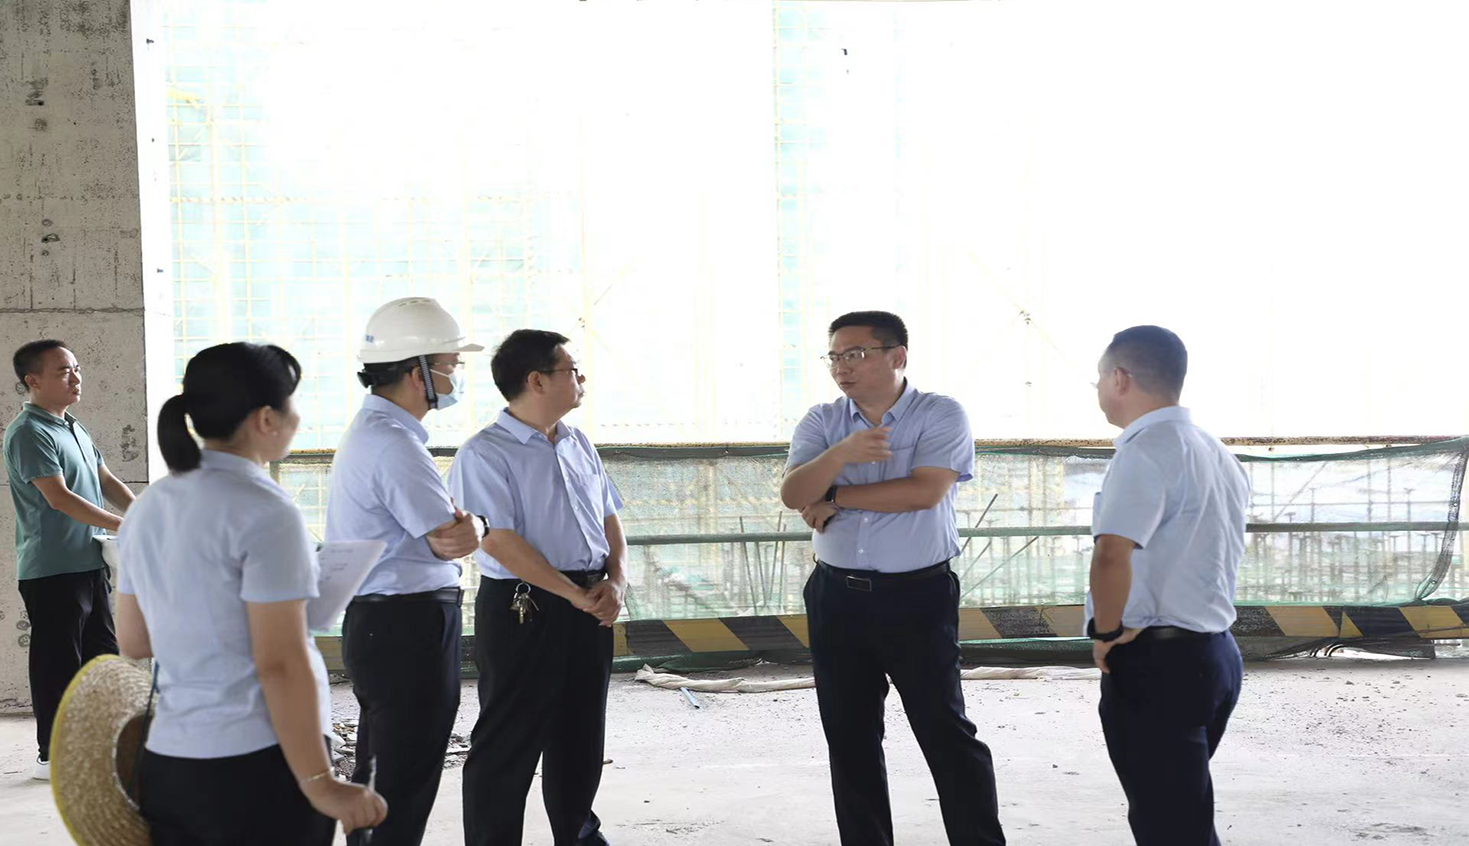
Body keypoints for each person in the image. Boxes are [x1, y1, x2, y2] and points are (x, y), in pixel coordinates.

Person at [114, 342, 387, 844]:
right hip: (257, 764)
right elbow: (280, 662)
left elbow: (134, 640)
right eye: (293, 403)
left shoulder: (148, 505)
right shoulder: (265, 510)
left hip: (171, 761)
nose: (297, 417)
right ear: (266, 418)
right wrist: (320, 782)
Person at [780, 311, 1005, 846]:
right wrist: (843, 453)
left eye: (855, 354)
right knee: (850, 737)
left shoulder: (939, 413)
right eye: (834, 357)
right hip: (836, 595)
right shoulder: (822, 421)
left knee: (944, 730)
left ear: (897, 356)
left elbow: (923, 492)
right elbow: (792, 494)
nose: (842, 367)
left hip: (916, 596)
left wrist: (834, 494)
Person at [450, 329, 626, 846]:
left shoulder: (577, 441)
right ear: (537, 380)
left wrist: (616, 580)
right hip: (522, 606)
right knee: (508, 740)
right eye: (571, 370)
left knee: (581, 735)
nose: (581, 378)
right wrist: (570, 594)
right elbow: (498, 540)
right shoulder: (485, 453)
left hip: (591, 601)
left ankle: (577, 833)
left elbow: (609, 517)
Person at [325, 296, 483, 846]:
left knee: (385, 769)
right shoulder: (393, 444)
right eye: (450, 364)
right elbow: (451, 539)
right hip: (406, 624)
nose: (455, 375)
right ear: (418, 374)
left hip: (387, 622)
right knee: (403, 775)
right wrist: (479, 524)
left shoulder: (379, 433)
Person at [1086, 325, 1250, 846]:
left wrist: (1105, 631)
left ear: (1119, 378)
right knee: (1182, 815)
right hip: (1215, 655)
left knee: (1169, 826)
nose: (1098, 389)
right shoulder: (1214, 450)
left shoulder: (1145, 450)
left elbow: (1112, 554)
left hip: (1159, 663)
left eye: (1098, 378)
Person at [4, 339, 134, 781]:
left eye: (76, 368)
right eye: (63, 371)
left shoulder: (72, 426)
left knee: (102, 659)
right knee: (58, 665)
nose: (76, 377)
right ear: (33, 380)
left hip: (89, 561)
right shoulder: (28, 432)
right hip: (52, 569)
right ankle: (55, 756)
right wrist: (124, 526)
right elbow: (59, 498)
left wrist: (142, 514)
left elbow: (106, 480)